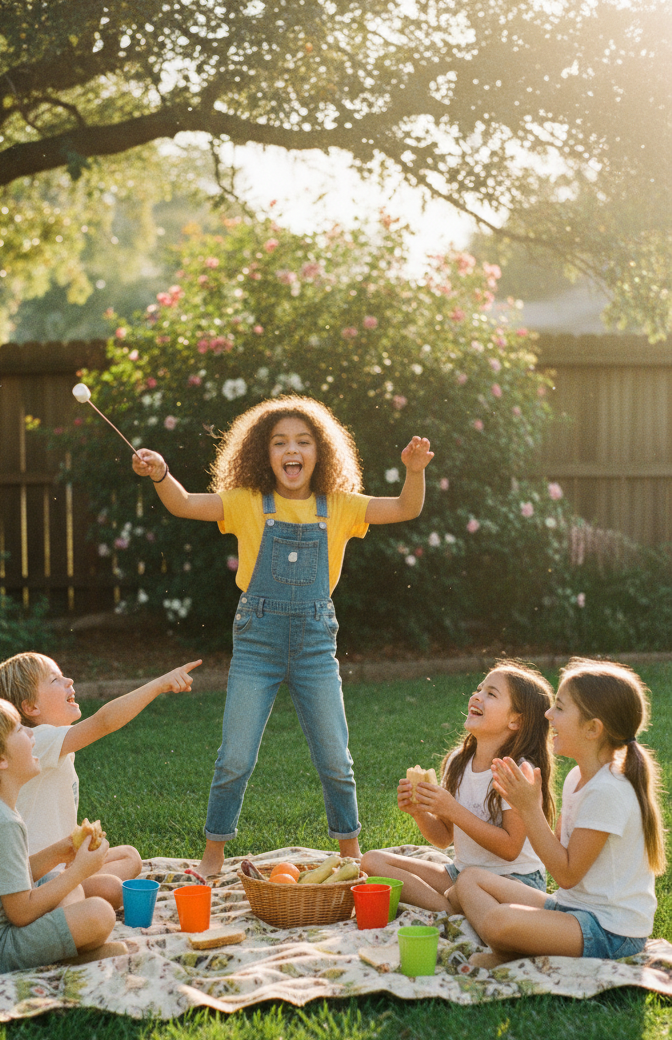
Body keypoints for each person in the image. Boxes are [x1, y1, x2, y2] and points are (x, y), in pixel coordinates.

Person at [132, 395, 434, 876]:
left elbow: (404, 508)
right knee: (234, 756)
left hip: (316, 645)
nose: (291, 450)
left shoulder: (339, 506)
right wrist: (161, 474)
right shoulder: (248, 503)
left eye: (302, 441)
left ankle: (350, 856)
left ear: (321, 452)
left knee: (336, 757)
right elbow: (185, 504)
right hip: (258, 643)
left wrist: (414, 470)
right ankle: (213, 856)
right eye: (279, 442)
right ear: (263, 453)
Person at [455, 658, 665, 966]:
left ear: (593, 729)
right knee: (470, 879)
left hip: (609, 931)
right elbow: (560, 855)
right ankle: (511, 943)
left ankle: (506, 947)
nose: (548, 714)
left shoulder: (609, 790)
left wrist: (528, 808)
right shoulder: (577, 778)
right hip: (570, 909)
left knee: (499, 921)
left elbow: (565, 874)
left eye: (561, 709)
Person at [0, 653, 200, 905]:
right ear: (31, 707)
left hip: (58, 867)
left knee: (130, 857)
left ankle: (73, 889)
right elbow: (104, 722)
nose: (69, 681)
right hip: (31, 877)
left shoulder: (52, 746)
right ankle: (66, 897)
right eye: (55, 680)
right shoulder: (36, 741)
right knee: (113, 889)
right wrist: (159, 684)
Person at [0, 696, 125, 978]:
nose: (31, 733)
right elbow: (21, 911)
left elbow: (14, 878)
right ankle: (67, 960)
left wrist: (62, 850)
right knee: (98, 914)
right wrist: (80, 870)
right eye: (19, 729)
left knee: (62, 885)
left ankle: (71, 951)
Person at [361, 661, 555, 913]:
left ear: (516, 720)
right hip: (461, 873)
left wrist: (453, 810)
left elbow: (510, 849)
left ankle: (455, 904)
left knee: (466, 883)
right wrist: (419, 812)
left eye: (491, 694)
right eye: (479, 689)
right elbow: (443, 838)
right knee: (371, 861)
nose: (477, 696)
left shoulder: (517, 772)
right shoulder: (457, 762)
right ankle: (452, 908)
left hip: (515, 881)